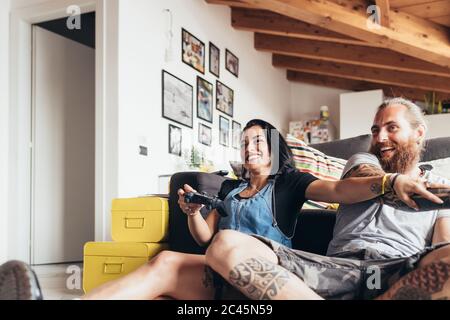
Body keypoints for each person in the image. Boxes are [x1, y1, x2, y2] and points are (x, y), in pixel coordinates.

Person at [0, 117, 443, 300]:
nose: (250, 147)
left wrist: (391, 184)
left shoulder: (292, 183)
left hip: (285, 276)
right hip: (244, 262)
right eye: (244, 141)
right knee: (172, 258)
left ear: (274, 148)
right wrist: (192, 211)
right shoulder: (229, 188)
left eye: (258, 140)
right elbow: (209, 240)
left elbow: (340, 189)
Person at [205, 98, 450, 300]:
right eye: (376, 130)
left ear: (419, 133)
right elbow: (369, 179)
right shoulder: (363, 162)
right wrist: (394, 182)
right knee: (225, 244)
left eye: (391, 127)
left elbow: (442, 245)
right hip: (334, 269)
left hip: (397, 271)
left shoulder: (441, 185)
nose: (380, 137)